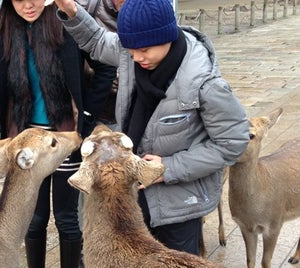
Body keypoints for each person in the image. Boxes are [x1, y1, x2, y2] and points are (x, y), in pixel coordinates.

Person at [54, 0, 250, 256]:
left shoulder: (205, 84)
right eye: (131, 50)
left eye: (144, 50)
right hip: (138, 197)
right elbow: (98, 41)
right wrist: (71, 9)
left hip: (178, 205)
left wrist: (169, 168)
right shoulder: (134, 51)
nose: (136, 57)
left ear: (165, 36)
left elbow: (233, 144)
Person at [0, 0, 102, 266]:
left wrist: (88, 114)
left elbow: (105, 66)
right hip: (27, 141)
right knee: (33, 219)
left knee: (67, 217)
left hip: (65, 137)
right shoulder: (2, 30)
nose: (27, 5)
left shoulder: (67, 23)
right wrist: (12, 110)